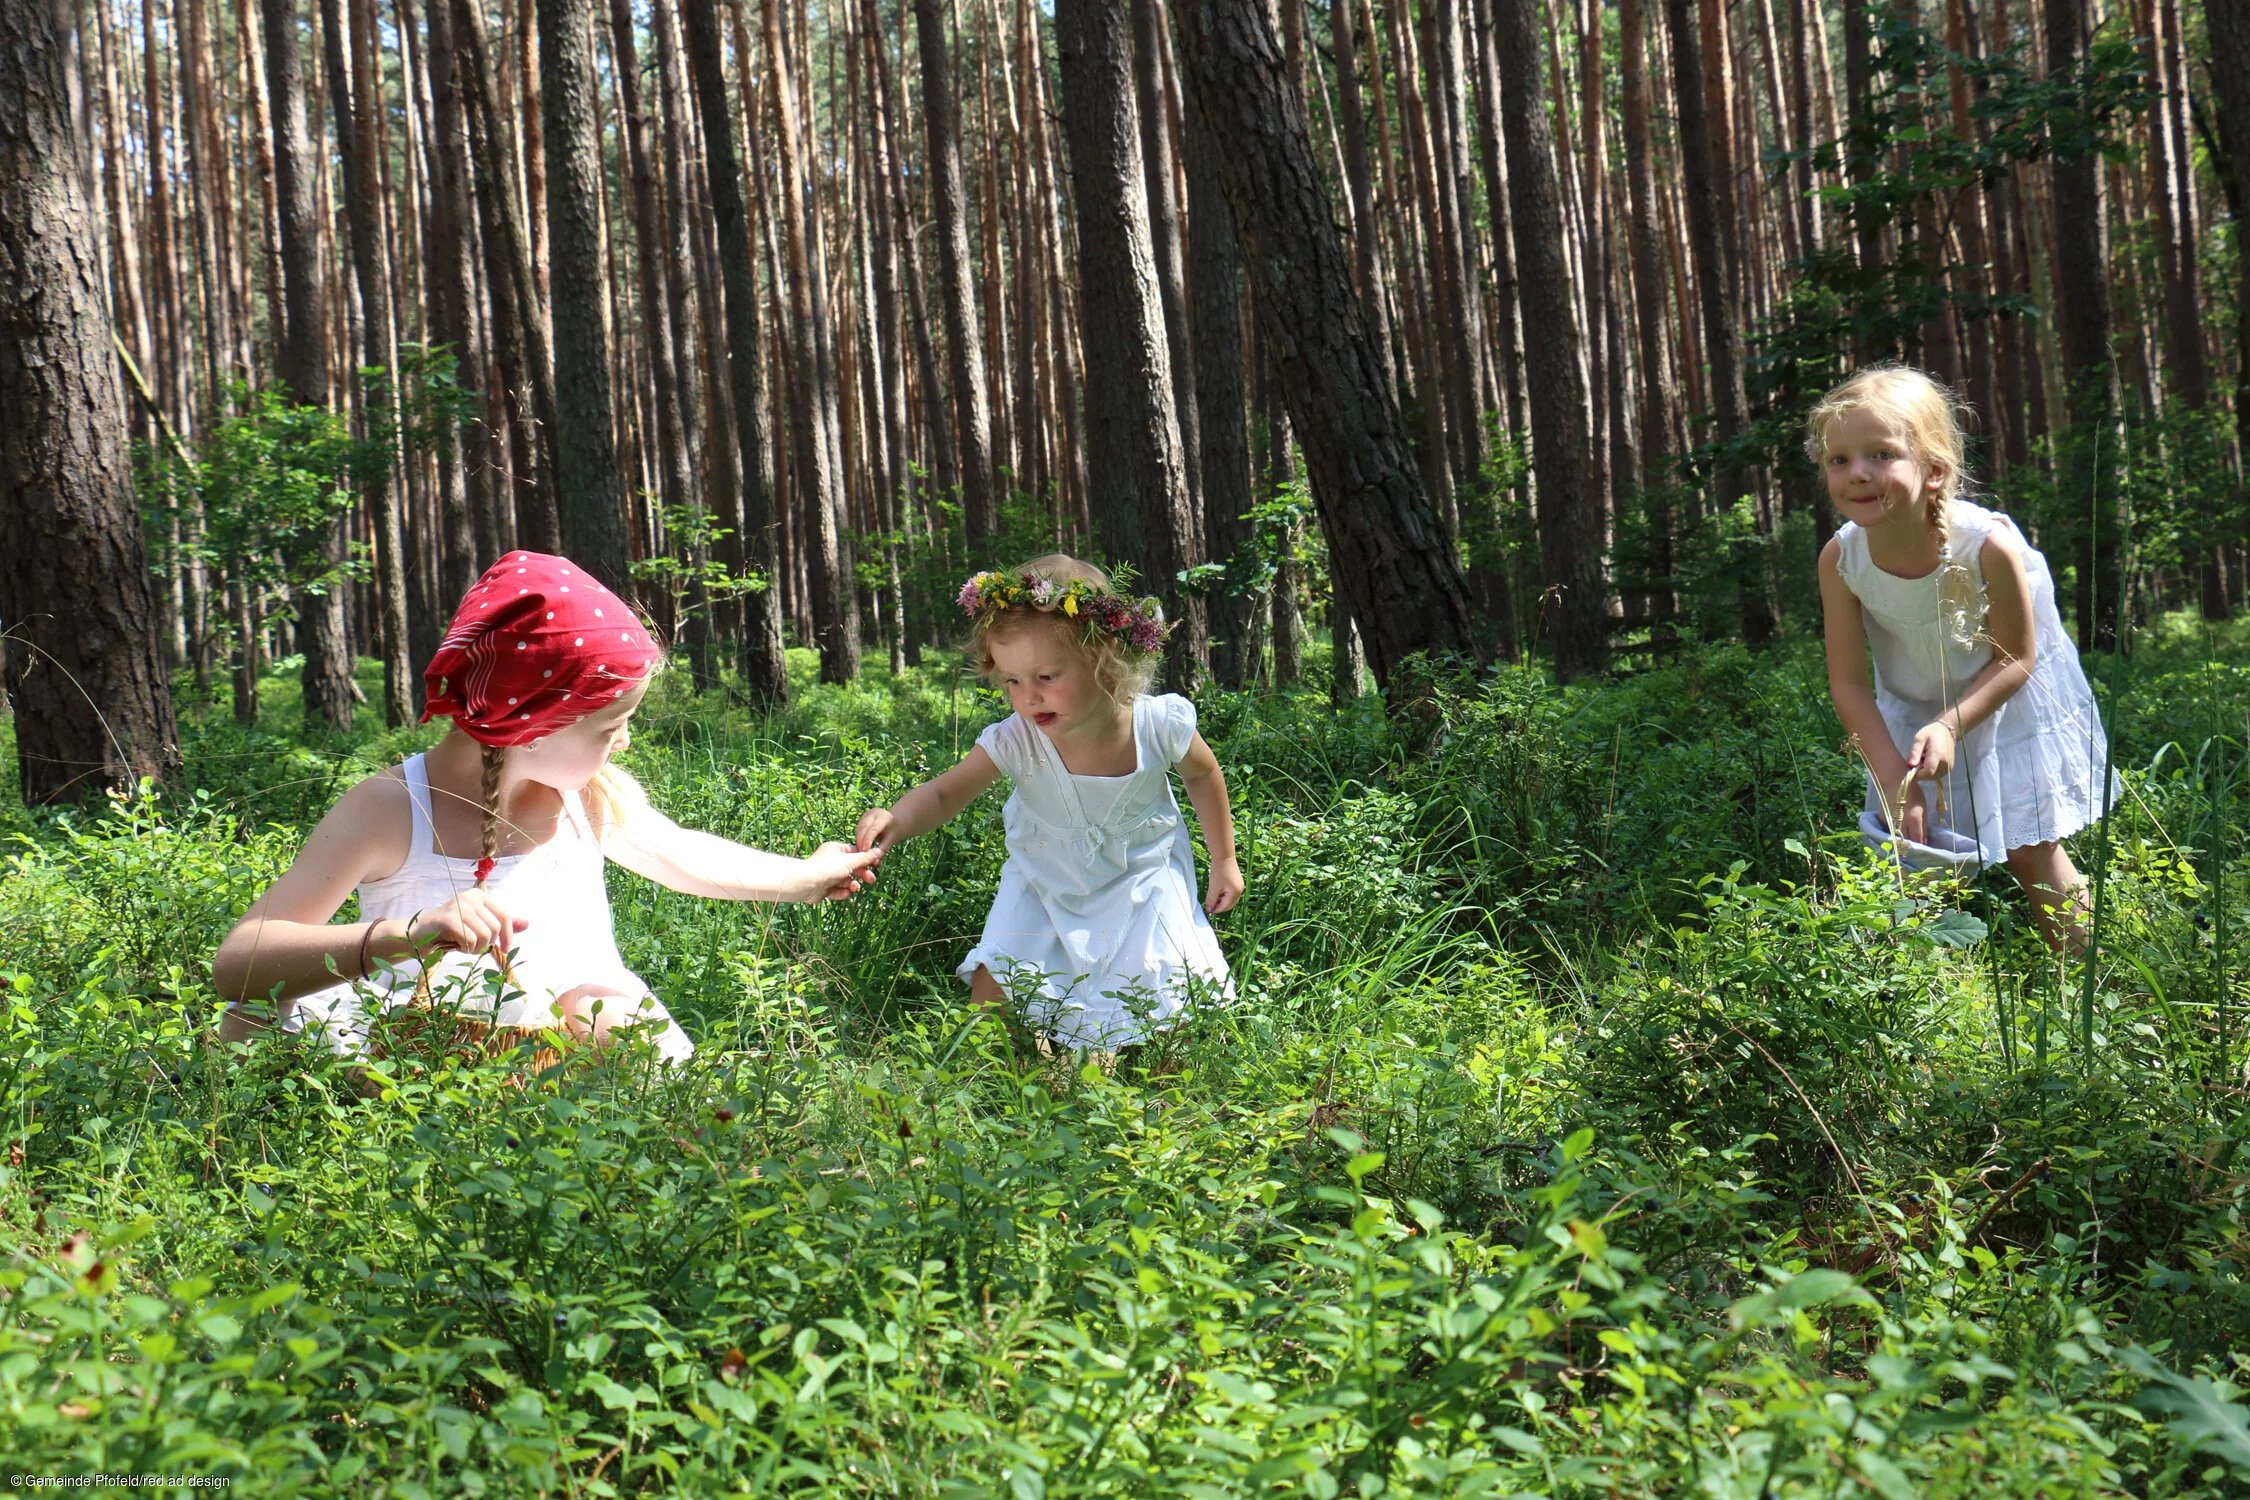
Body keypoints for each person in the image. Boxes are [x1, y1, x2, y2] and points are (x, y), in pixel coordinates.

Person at [213, 551, 881, 1060]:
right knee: (251, 1015)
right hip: (415, 1038)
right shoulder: (388, 809)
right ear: (528, 723)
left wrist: (805, 875)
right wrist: (402, 937)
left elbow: (682, 855)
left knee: (610, 1020)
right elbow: (240, 959)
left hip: (558, 1041)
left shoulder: (584, 795)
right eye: (606, 727)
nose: (623, 740)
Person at [854, 556, 1243, 1050]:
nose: (1028, 697)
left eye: (1046, 677)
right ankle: (1022, 1072)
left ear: (1104, 659)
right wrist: (897, 817)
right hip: (1044, 879)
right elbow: (946, 791)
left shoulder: (1157, 726)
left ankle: (1138, 1081)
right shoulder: (1018, 740)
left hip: (1142, 875)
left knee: (1162, 989)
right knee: (994, 990)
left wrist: (1224, 860)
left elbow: (1203, 773)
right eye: (1012, 681)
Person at [1811, 365, 2111, 949]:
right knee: (1911, 850)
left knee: (2030, 848)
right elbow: (1848, 684)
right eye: (1839, 460)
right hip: (1911, 704)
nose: (1859, 474)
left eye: (1881, 454)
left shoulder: (1986, 546)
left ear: (1934, 469)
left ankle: (2091, 981)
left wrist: (1951, 725)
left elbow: (2018, 658)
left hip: (2002, 696)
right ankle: (1922, 1010)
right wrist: (1896, 776)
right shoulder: (1841, 560)